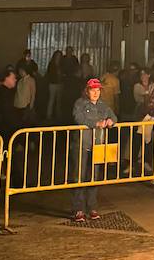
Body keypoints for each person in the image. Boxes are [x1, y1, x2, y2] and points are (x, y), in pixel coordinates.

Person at [70, 78, 117, 222]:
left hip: (97, 145)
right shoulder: (80, 103)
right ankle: (78, 209)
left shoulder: (103, 105)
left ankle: (92, 207)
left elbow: (113, 116)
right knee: (79, 177)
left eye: (98, 90)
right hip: (81, 144)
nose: (96, 93)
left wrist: (111, 121)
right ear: (87, 91)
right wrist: (96, 123)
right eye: (93, 90)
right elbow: (78, 118)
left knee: (94, 177)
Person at [45, 50, 63, 121]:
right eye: (57, 55)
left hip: (60, 83)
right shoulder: (51, 64)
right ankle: (49, 115)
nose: (58, 57)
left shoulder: (61, 64)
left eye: (59, 55)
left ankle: (58, 114)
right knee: (51, 99)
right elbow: (49, 74)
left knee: (59, 100)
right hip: (53, 83)